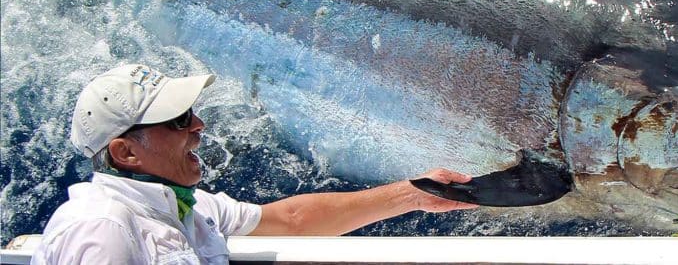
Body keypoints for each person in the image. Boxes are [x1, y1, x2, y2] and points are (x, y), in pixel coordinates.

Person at [32, 64, 477, 264]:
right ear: (125, 153)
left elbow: (294, 220)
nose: (199, 125)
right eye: (179, 120)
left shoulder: (183, 205)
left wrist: (415, 193)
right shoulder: (102, 230)